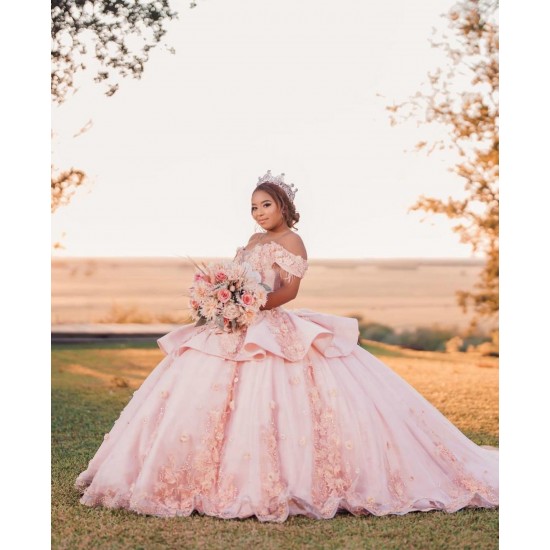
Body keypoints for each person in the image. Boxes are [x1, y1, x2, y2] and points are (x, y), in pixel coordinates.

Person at [75, 170, 498, 522]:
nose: (259, 214)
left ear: (283, 207)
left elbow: (290, 291)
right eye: (254, 207)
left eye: (266, 205)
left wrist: (252, 306)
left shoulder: (291, 241)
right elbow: (239, 277)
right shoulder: (252, 241)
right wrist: (227, 303)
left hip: (269, 324)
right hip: (236, 325)